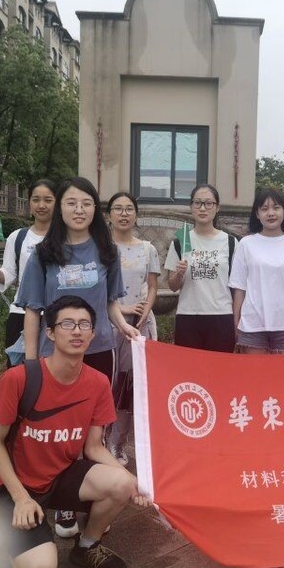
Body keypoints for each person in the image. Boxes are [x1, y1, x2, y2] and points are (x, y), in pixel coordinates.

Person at [0, 295, 149, 568]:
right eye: (68, 324)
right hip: (16, 485)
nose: (77, 331)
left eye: (84, 324)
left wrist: (133, 482)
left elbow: (94, 447)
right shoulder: (18, 379)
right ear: (50, 332)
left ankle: (87, 546)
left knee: (122, 483)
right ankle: (14, 539)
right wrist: (21, 498)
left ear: (93, 333)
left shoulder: (98, 383)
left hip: (60, 475)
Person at [17, 176, 139, 537]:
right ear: (60, 208)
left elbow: (111, 302)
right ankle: (64, 504)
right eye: (71, 203)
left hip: (100, 351)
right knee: (58, 429)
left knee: (94, 430)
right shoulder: (44, 254)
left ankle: (94, 496)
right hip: (54, 357)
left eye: (86, 203)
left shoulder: (106, 251)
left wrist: (124, 327)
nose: (79, 210)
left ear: (94, 210)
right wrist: (30, 364)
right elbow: (33, 310)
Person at [0, 179, 56, 367]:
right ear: (29, 203)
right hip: (21, 313)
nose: (41, 205)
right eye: (36, 199)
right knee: (19, 372)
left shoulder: (66, 238)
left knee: (53, 374)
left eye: (48, 200)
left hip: (56, 316)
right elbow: (9, 275)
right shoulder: (18, 237)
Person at [105, 192, 160, 465]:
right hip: (108, 325)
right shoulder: (100, 248)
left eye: (129, 209)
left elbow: (153, 286)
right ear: (109, 215)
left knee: (129, 385)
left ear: (136, 214)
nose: (124, 213)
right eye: (118, 208)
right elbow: (100, 288)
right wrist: (123, 309)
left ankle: (118, 442)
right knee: (106, 384)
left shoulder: (148, 249)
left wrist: (145, 310)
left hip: (138, 326)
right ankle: (97, 441)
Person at [229, 189, 284, 353]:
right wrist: (236, 322)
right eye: (264, 209)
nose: (270, 213)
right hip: (252, 325)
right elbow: (239, 288)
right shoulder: (246, 244)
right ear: (257, 214)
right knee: (255, 370)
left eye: (276, 207)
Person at [165, 184, 238, 352]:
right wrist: (179, 273)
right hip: (189, 316)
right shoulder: (182, 240)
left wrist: (237, 319)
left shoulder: (230, 242)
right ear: (191, 207)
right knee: (189, 367)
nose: (203, 208)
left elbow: (237, 286)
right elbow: (172, 286)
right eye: (197, 203)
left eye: (208, 203)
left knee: (219, 366)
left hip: (221, 316)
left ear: (217, 207)